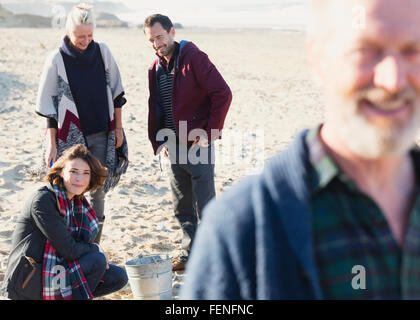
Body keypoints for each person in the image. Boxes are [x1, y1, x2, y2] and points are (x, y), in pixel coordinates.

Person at [181, 0, 420, 299]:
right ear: (318, 59)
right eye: (366, 50)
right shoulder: (241, 231)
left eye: (413, 50)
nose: (393, 81)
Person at [143, 14, 232, 271]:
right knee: (181, 204)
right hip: (172, 145)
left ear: (171, 32)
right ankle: (189, 253)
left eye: (160, 37)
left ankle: (215, 254)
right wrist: (161, 141)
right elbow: (157, 106)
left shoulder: (193, 57)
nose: (157, 43)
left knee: (206, 204)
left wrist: (209, 132)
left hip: (197, 144)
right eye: (151, 40)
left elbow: (223, 94)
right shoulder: (155, 68)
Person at [35, 3, 128, 245]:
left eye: (90, 36)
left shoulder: (103, 52)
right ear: (68, 32)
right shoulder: (56, 58)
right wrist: (51, 143)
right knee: (68, 190)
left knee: (97, 192)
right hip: (69, 139)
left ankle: (92, 248)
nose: (85, 41)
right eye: (80, 36)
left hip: (101, 133)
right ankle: (68, 245)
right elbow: (49, 108)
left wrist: (118, 128)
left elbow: (118, 94)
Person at [0, 144, 128, 300]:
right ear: (60, 172)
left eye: (85, 173)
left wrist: (94, 250)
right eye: (73, 171)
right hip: (29, 280)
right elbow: (69, 250)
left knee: (118, 276)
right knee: (97, 260)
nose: (79, 178)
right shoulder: (43, 200)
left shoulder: (76, 203)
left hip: (58, 271)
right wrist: (95, 249)